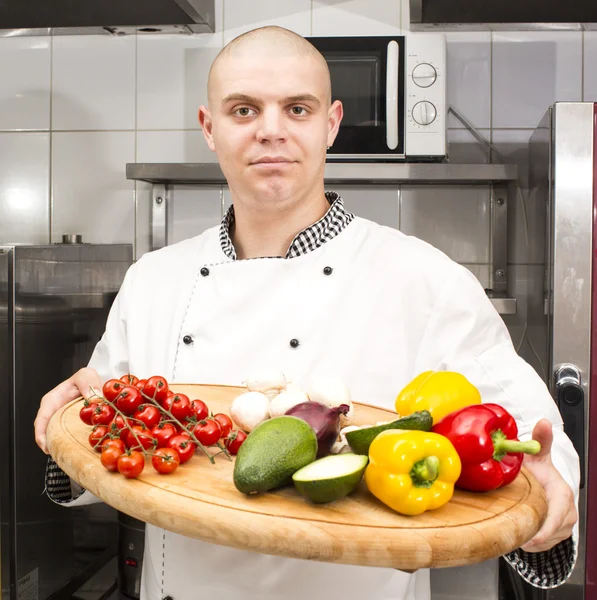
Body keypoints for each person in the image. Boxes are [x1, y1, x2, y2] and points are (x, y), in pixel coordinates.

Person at [35, 25, 579, 600]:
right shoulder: (152, 280)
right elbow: (107, 446)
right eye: (244, 109)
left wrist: (551, 494)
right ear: (209, 128)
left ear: (331, 124)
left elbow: (533, 444)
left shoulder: (426, 280)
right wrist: (61, 434)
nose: (271, 131)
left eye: (297, 108)